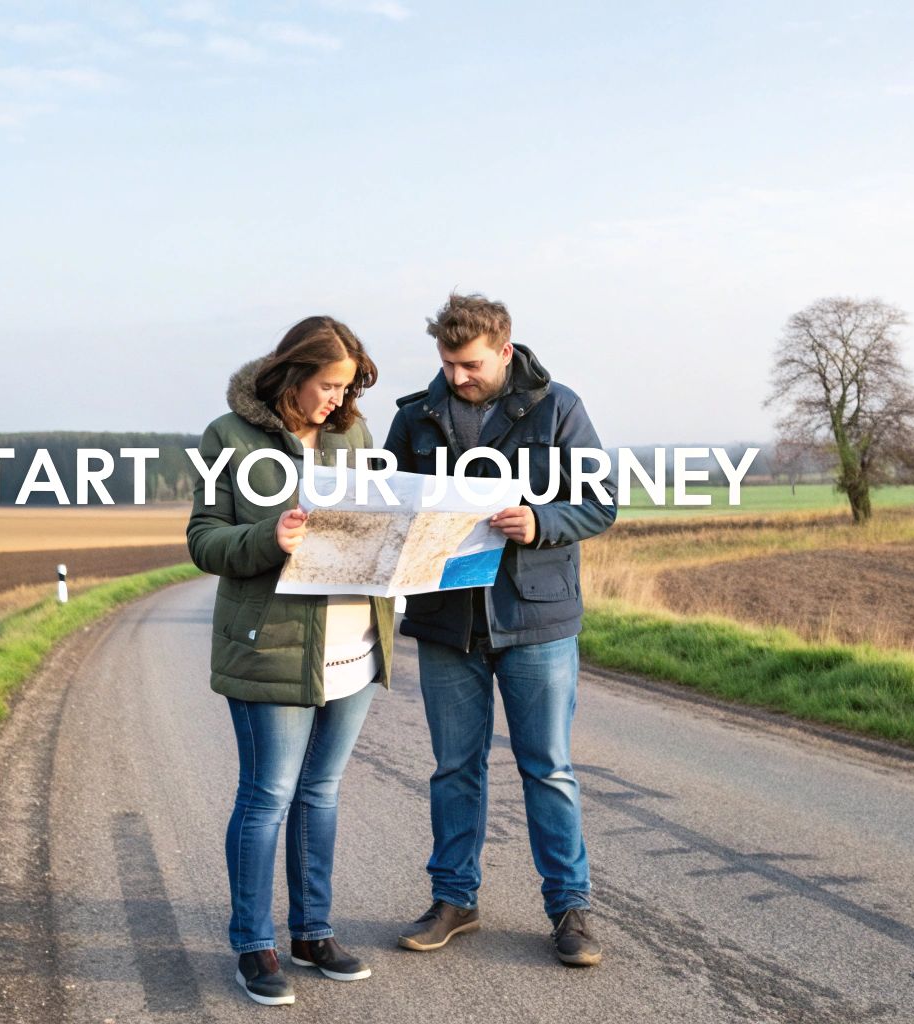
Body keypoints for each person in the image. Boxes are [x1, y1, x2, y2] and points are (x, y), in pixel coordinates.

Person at [382, 293, 617, 967]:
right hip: (444, 620)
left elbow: (601, 503)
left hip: (537, 617)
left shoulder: (560, 407)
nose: (458, 377)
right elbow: (390, 509)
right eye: (449, 363)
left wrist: (541, 522)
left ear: (505, 351)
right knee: (454, 768)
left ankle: (570, 912)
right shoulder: (413, 419)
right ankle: (454, 900)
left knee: (548, 769)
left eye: (471, 364)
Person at [186, 315, 397, 1006]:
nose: (337, 400)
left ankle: (312, 932)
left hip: (353, 644)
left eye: (346, 387)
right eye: (328, 386)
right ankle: (254, 943)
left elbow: (372, 519)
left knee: (321, 792)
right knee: (268, 794)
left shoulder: (353, 435)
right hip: (269, 644)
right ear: (293, 374)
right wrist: (267, 539)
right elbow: (205, 540)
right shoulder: (230, 437)